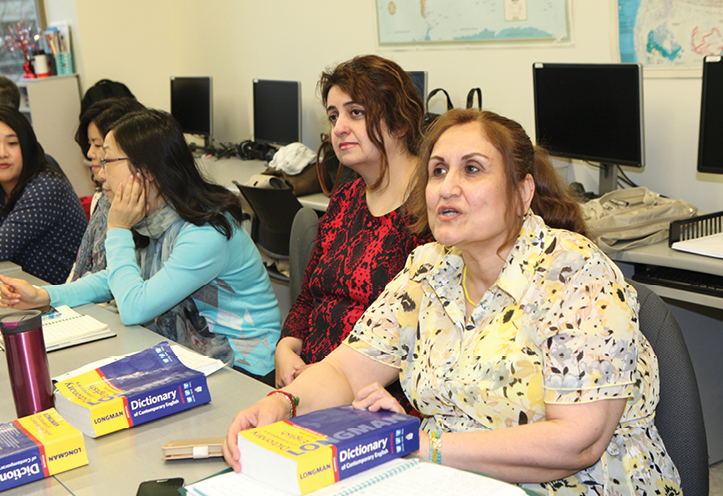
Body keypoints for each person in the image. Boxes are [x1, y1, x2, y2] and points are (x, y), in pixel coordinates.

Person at [223, 109, 681, 494]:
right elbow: (345, 370)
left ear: (522, 193)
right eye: (438, 170)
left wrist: (425, 445)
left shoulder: (573, 271)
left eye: (473, 169)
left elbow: (578, 443)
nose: (447, 186)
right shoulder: (429, 267)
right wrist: (283, 403)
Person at [0, 109, 282, 381]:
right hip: (197, 356)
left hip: (244, 369)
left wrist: (118, 229)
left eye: (107, 161)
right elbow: (118, 279)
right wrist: (44, 296)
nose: (100, 174)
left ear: (145, 170)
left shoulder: (205, 231)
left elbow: (135, 308)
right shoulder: (156, 217)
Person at [274, 55, 431, 406]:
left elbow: (424, 336)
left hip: (379, 398)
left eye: (355, 113)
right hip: (312, 382)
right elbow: (310, 293)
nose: (339, 127)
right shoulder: (347, 196)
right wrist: (286, 346)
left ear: (400, 121)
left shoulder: (433, 205)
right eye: (333, 116)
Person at [0, 106, 87, 284]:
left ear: (27, 146)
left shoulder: (45, 186)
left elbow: (2, 246)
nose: (2, 153)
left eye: (12, 143)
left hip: (70, 299)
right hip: (32, 291)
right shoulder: (4, 185)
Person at [68, 97, 146, 282]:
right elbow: (84, 270)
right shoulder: (103, 199)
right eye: (89, 144)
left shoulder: (143, 207)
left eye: (98, 145)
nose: (90, 153)